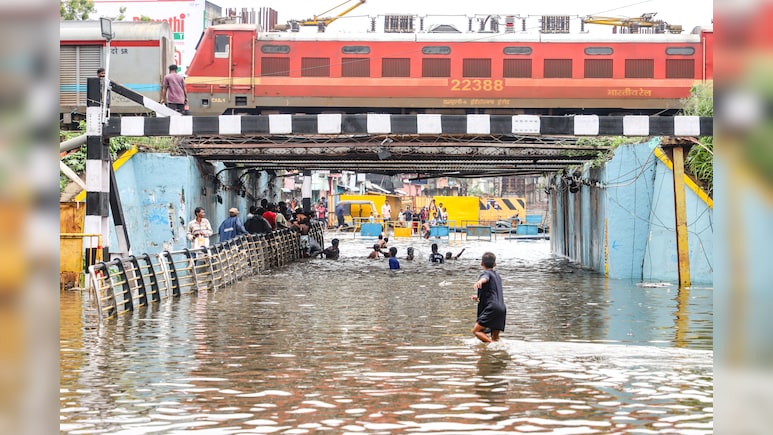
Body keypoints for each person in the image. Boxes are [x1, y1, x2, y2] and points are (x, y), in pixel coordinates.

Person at [470, 252, 506, 343]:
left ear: (481, 264)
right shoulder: (498, 277)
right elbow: (492, 293)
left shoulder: (485, 273)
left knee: (476, 331)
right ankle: (496, 350)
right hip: (502, 309)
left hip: (492, 308)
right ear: (495, 264)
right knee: (495, 337)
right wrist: (478, 297)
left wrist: (480, 282)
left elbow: (485, 278)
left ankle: (492, 345)